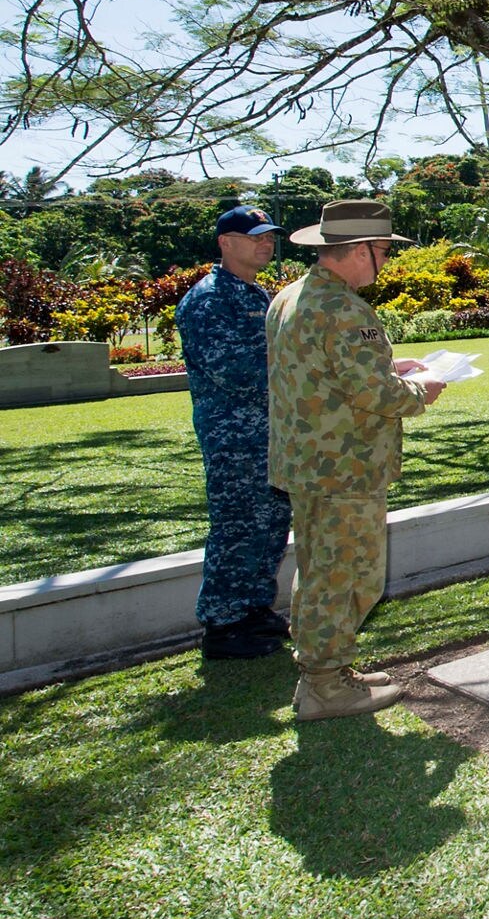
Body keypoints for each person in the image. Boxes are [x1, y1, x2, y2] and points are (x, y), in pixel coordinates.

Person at [266, 200, 446, 722]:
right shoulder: (344, 308)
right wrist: (421, 390)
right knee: (347, 576)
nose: (386, 262)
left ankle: (328, 670)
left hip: (309, 463)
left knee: (320, 569)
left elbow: (324, 369)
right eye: (383, 251)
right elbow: (375, 395)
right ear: (358, 251)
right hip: (344, 468)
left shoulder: (293, 297)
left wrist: (392, 365)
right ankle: (324, 684)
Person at [176, 205, 292, 660]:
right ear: (226, 243)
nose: (266, 243)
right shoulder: (210, 300)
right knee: (237, 526)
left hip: (270, 435)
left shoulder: (253, 294)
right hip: (235, 438)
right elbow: (237, 371)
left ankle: (253, 609)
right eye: (255, 237)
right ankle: (223, 625)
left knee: (270, 522)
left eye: (269, 237)